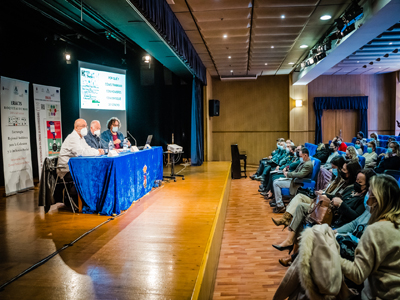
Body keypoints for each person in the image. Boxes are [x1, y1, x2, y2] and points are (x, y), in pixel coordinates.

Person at [272, 162, 365, 254]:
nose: (339, 171)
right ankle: (293, 247)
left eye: (343, 170)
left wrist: (332, 199)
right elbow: (335, 196)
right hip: (324, 202)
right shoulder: (342, 182)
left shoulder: (353, 190)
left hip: (329, 209)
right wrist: (324, 193)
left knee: (300, 208)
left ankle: (292, 246)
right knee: (299, 201)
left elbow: (346, 208)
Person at [341, 174, 400, 299]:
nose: (367, 198)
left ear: (377, 199)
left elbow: (358, 275)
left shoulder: (375, 230)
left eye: (369, 192)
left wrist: (331, 254)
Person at [272, 156, 346, 229]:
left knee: (299, 205)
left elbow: (334, 197)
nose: (331, 170)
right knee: (299, 196)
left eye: (334, 168)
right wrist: (322, 191)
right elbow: (327, 190)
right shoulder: (334, 178)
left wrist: (324, 194)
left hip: (325, 204)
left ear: (340, 168)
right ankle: (285, 219)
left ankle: (287, 222)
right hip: (319, 199)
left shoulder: (342, 182)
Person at [271, 147, 313, 213]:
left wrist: (289, 174)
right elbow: (296, 171)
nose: (300, 158)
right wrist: (288, 173)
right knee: (276, 181)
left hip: (297, 182)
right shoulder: (304, 162)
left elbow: (301, 175)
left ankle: (280, 206)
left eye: (301, 156)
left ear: (305, 155)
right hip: (294, 179)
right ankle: (279, 203)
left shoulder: (308, 164)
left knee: (276, 183)